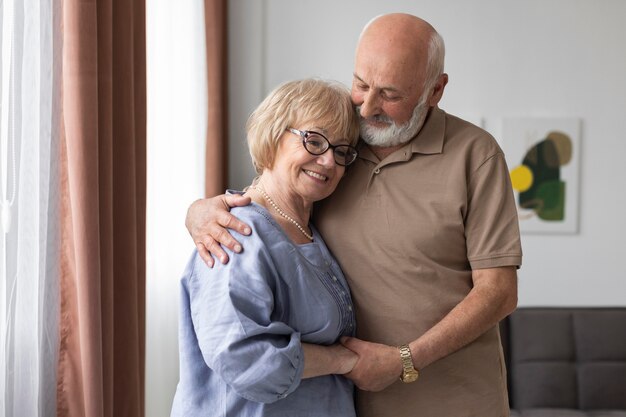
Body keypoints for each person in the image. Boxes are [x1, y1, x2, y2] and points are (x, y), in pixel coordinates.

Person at [186, 13, 522, 417]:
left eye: (391, 94)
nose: (368, 108)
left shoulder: (476, 156)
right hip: (350, 401)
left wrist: (405, 359)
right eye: (361, 84)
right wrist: (201, 210)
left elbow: (498, 292)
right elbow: (276, 187)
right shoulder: (340, 139)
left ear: (435, 90)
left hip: (453, 398)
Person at [170, 78, 362, 417]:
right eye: (314, 141)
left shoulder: (312, 228)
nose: (330, 161)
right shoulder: (235, 233)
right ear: (273, 135)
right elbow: (246, 360)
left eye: (342, 151)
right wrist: (345, 361)